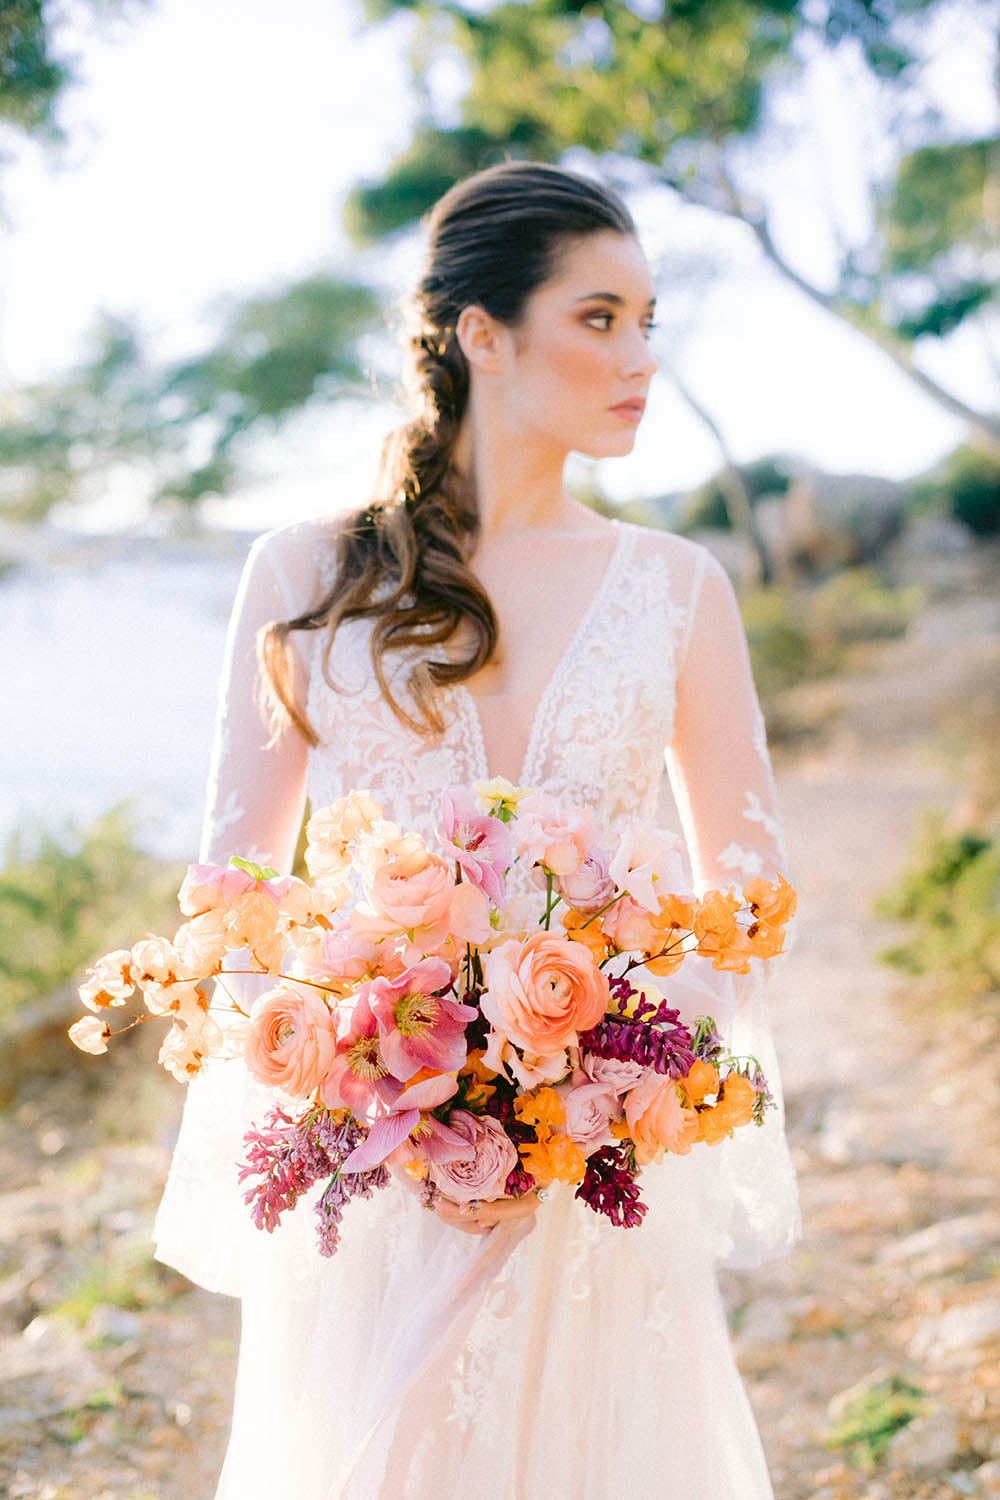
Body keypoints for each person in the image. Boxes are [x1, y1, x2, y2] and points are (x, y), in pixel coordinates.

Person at [153, 160, 800, 1499]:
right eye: (600, 318)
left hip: (601, 1172)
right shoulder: (303, 575)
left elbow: (747, 889)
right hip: (368, 1185)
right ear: (482, 335)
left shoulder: (678, 588)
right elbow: (232, 892)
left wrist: (583, 1095)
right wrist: (367, 1088)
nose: (640, 360)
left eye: (647, 322)